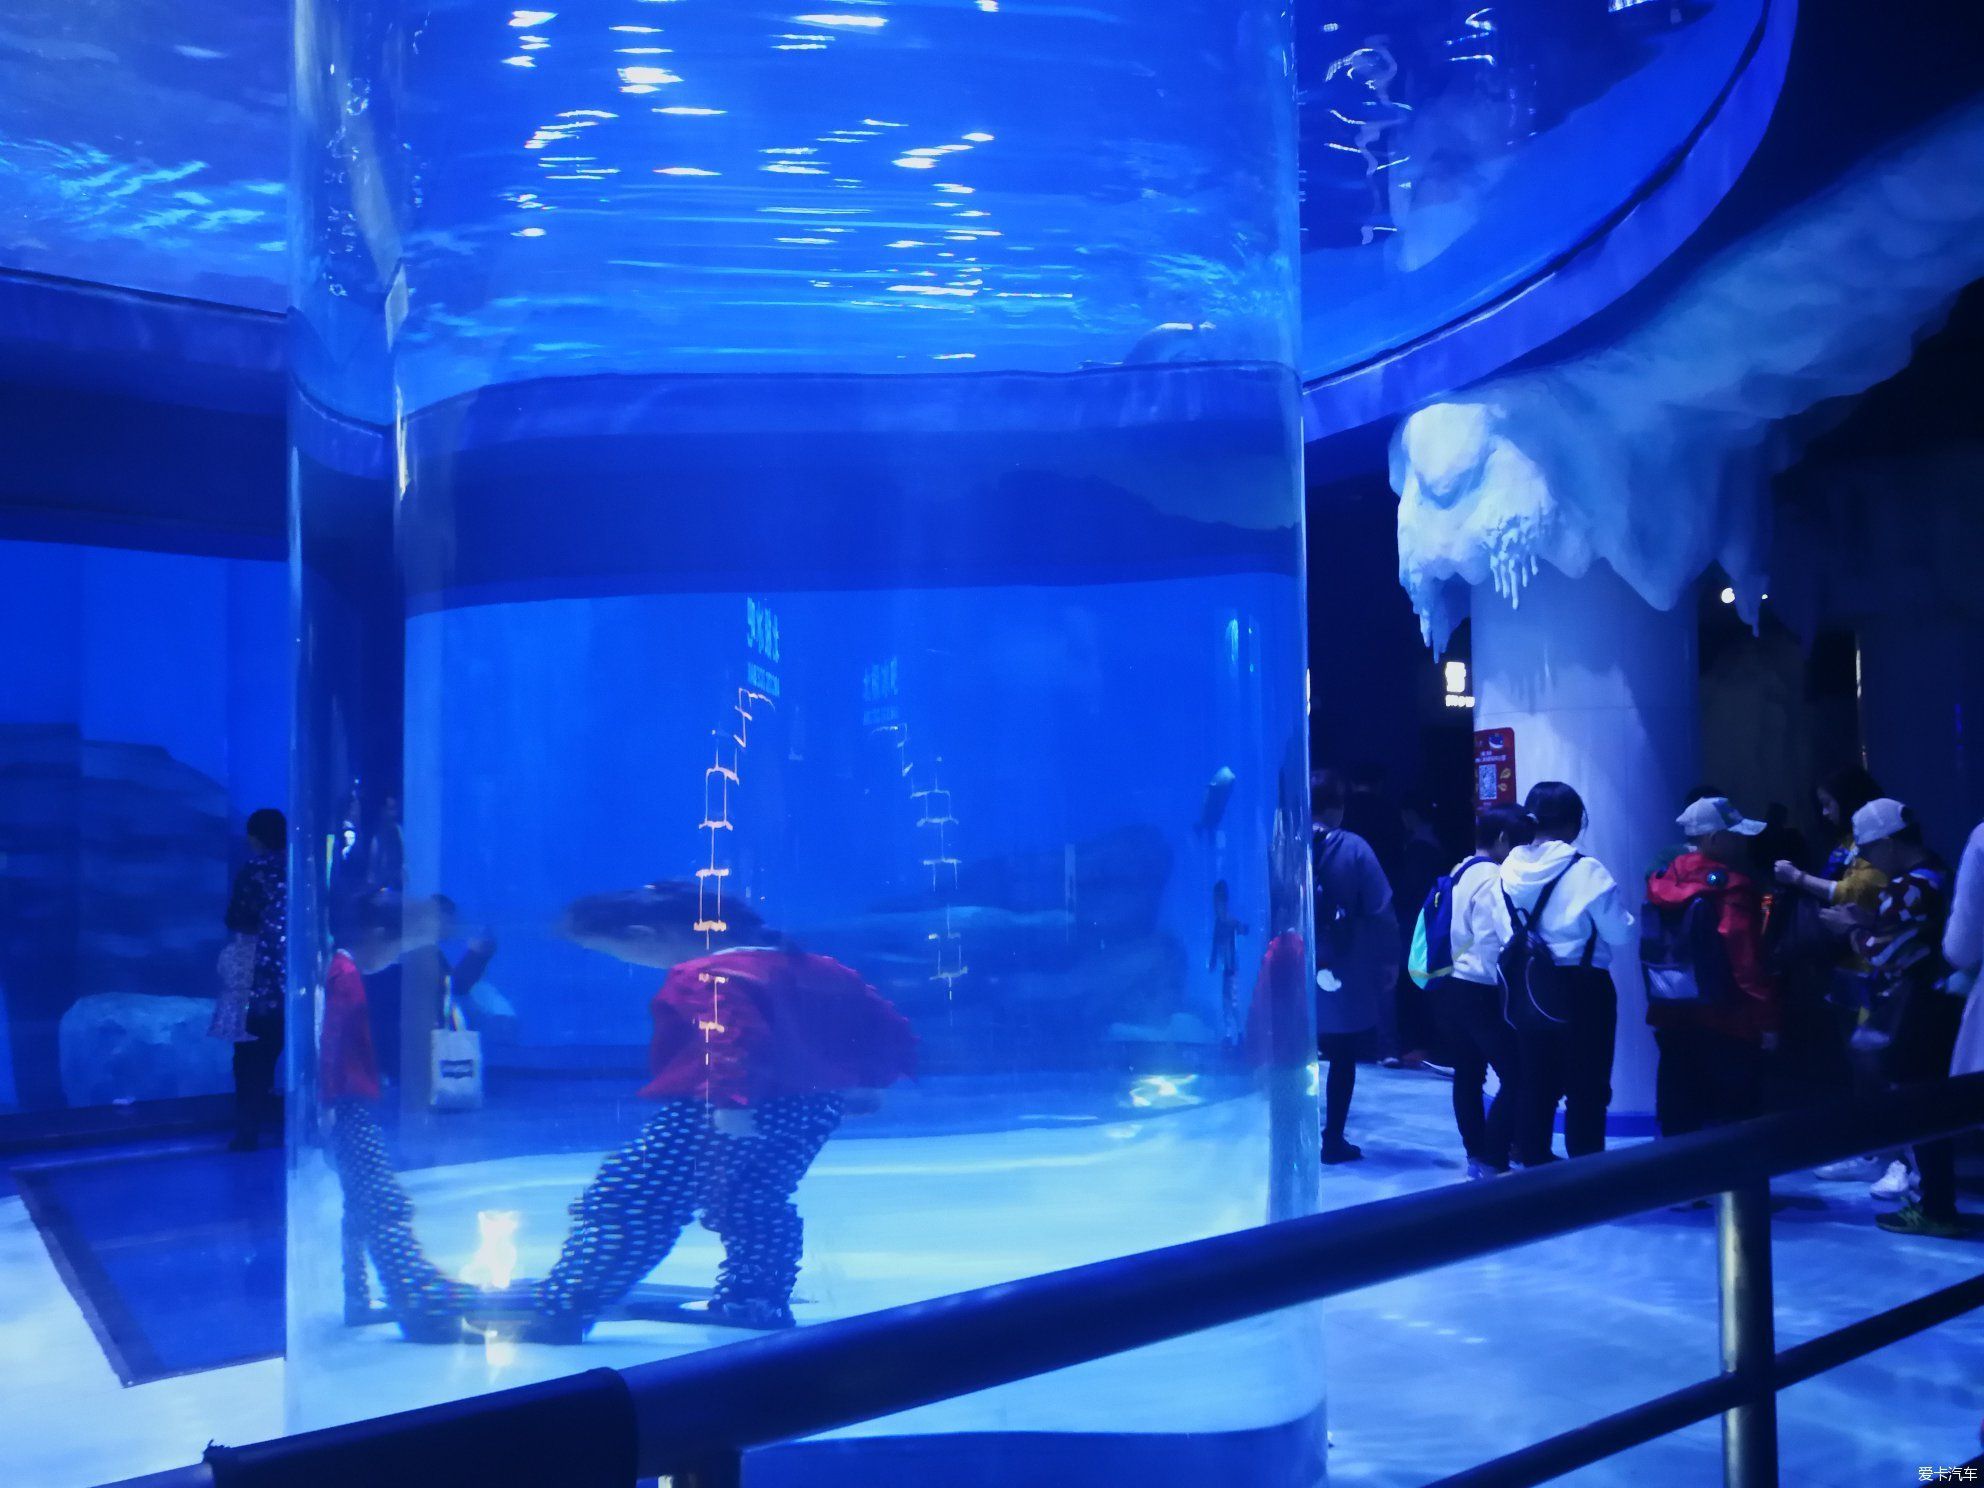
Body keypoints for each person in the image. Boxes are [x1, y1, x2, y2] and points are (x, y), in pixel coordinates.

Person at [528, 883, 917, 1338]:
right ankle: (756, 1301)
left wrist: (729, 1100)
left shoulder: (705, 973)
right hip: (814, 1106)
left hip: (728, 1108)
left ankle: (564, 1307)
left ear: (642, 935)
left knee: (630, 1198)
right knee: (754, 1199)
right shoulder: (819, 967)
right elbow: (884, 1023)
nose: (623, 961)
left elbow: (730, 1036)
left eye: (612, 951)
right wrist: (871, 1080)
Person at [1493, 782, 1636, 1161]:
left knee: (1535, 1080)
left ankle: (1535, 1161)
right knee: (1586, 1086)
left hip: (1526, 983)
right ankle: (1586, 1173)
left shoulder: (1508, 868)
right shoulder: (1586, 870)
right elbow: (1619, 933)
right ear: (1575, 823)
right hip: (1583, 985)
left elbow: (1500, 927)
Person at [1847, 801, 1968, 1239]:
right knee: (1933, 1104)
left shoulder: (1908, 887)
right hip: (1943, 1003)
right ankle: (1935, 1200)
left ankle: (1934, 1206)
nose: (1870, 862)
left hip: (1916, 1009)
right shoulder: (1940, 872)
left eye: (1871, 851)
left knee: (1919, 1106)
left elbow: (1887, 952)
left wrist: (1853, 931)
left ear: (1890, 843)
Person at [1644, 798, 1779, 1138]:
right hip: (1728, 1019)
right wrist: (1768, 1020)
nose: (1742, 841)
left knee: (1680, 1113)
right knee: (1735, 1119)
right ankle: (1735, 1191)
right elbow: (1745, 962)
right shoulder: (1731, 887)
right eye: (1734, 834)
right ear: (1714, 839)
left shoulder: (1663, 878)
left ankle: (1684, 1189)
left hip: (1671, 1015)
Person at [1430, 805, 1533, 1177]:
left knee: (1467, 1073)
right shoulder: (1493, 877)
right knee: (1517, 1074)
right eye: (1520, 843)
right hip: (1481, 990)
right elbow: (1506, 933)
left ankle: (1476, 1154)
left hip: (1449, 986)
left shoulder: (1461, 869)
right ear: (1504, 839)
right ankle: (1494, 1156)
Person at [1312, 770, 1398, 1164]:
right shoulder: (1354, 847)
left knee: (1291, 1052)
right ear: (1336, 807)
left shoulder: (1285, 843)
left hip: (1294, 961)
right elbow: (1381, 909)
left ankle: (1287, 1134)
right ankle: (1333, 1138)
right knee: (1342, 1055)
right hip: (1343, 963)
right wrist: (1388, 959)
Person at [223, 808, 287, 1152]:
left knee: (249, 1057)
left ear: (255, 837)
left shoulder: (254, 871)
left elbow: (237, 919)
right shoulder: (301, 870)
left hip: (259, 984)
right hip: (298, 987)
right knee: (289, 1052)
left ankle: (248, 1130)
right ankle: (297, 1125)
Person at [1209, 880, 1249, 1047]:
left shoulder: (1229, 921)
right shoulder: (1221, 922)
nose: (1215, 906)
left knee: (1231, 1002)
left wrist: (1242, 928)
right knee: (1226, 1002)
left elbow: (1243, 929)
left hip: (1231, 967)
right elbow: (1215, 942)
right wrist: (1213, 959)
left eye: (1217, 902)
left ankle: (1239, 1035)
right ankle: (1229, 1035)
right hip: (1227, 967)